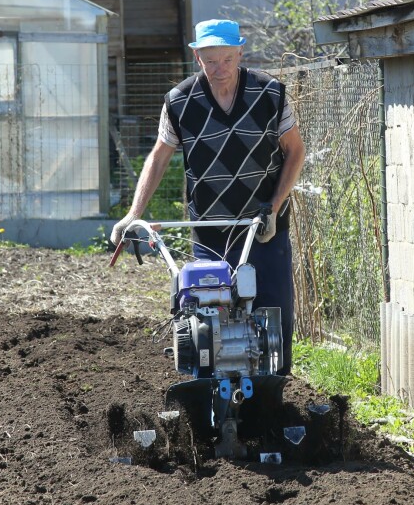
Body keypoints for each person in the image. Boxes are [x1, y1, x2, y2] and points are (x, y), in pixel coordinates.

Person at [111, 19, 305, 375]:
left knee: (274, 313)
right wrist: (132, 215)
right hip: (209, 228)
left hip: (261, 225)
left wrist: (273, 209)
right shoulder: (179, 102)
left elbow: (295, 152)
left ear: (240, 54)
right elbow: (158, 157)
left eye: (227, 59)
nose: (220, 69)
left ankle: (274, 395)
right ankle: (210, 395)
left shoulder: (271, 93)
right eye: (211, 60)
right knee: (204, 320)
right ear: (198, 57)